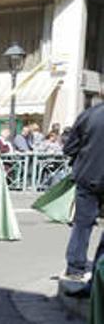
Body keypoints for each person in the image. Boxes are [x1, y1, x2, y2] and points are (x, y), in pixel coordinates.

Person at [61, 101, 104, 281]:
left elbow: (69, 148)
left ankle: (75, 267)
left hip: (88, 177)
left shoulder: (88, 115)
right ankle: (100, 267)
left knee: (82, 225)